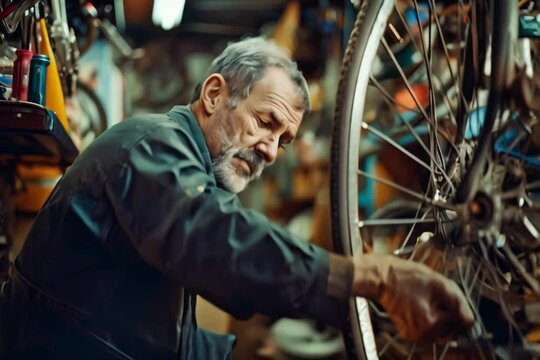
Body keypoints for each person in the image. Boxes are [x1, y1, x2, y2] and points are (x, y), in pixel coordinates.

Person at [0, 36, 474, 359]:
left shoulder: (185, 164)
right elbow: (214, 240)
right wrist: (372, 276)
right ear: (213, 95)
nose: (271, 149)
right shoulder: (151, 145)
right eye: (266, 122)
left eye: (284, 141)